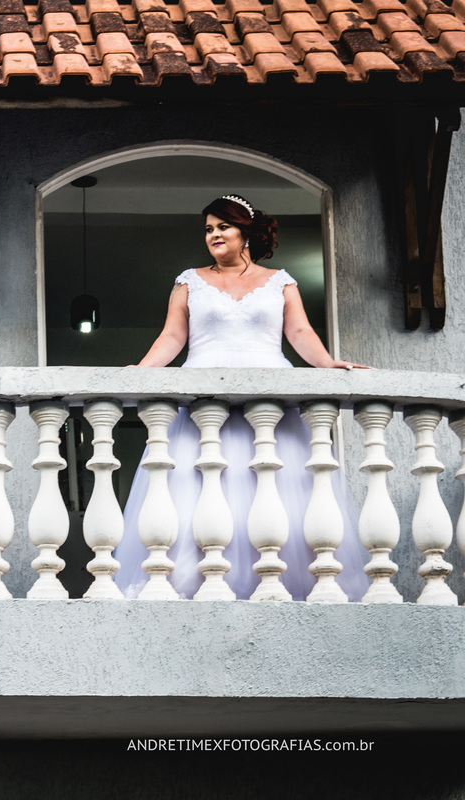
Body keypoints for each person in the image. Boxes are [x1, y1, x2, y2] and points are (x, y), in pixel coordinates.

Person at [114, 194, 369, 601]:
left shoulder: (281, 281)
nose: (213, 235)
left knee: (276, 485)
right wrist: (142, 369)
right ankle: (192, 582)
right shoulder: (189, 281)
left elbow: (299, 332)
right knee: (194, 485)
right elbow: (173, 336)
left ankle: (280, 582)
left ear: (245, 232)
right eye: (208, 229)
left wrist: (328, 363)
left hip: (270, 398)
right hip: (202, 397)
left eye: (223, 227)